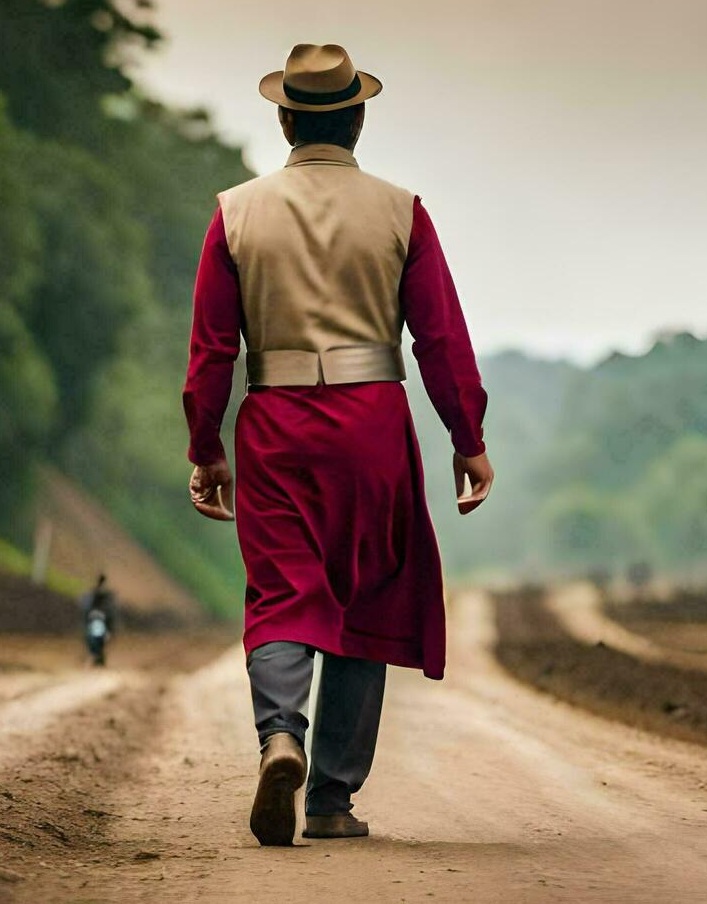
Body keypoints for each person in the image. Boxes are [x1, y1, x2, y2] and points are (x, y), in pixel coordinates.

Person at [182, 43, 493, 846]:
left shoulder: (236, 212)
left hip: (276, 424)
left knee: (284, 591)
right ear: (358, 118)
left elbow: (211, 348)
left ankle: (279, 733)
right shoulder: (402, 211)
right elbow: (439, 338)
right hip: (372, 427)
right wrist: (468, 437)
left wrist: (205, 448)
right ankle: (329, 801)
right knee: (366, 597)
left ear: (285, 118)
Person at [79, 574, 115, 666]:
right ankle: (96, 655)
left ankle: (96, 655)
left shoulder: (99, 593)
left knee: (92, 635)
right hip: (97, 619)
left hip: (98, 619)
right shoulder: (99, 593)